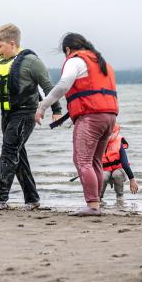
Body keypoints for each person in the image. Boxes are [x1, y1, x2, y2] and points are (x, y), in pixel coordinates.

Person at [0, 23, 62, 210]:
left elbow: (49, 87)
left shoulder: (32, 62)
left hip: (25, 114)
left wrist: (56, 110)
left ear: (12, 43)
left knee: (9, 153)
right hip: (7, 114)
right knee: (18, 156)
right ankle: (32, 199)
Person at [36, 32, 119, 216]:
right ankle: (96, 201)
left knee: (82, 160)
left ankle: (92, 205)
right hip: (109, 116)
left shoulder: (75, 60)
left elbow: (64, 85)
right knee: (95, 160)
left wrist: (42, 106)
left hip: (90, 117)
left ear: (67, 49)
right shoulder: (100, 62)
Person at [99, 124, 139, 206]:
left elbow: (124, 163)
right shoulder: (98, 143)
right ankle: (98, 198)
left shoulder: (118, 142)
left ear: (116, 133)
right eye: (106, 134)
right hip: (105, 170)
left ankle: (120, 197)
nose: (108, 136)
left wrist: (132, 179)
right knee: (103, 176)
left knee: (116, 174)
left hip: (119, 170)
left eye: (111, 133)